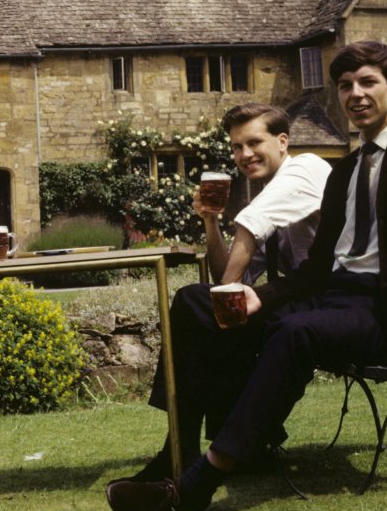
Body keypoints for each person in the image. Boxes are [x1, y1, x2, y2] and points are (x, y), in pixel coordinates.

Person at [107, 41, 387, 511]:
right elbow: (314, 270)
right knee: (194, 300)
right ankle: (176, 454)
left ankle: (199, 484)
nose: (356, 94)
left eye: (368, 82)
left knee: (296, 332)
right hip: (335, 300)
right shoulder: (344, 170)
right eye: (346, 86)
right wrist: (257, 296)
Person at [114, 103, 331, 486]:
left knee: (193, 304)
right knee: (198, 309)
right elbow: (231, 273)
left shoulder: (306, 168)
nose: (244, 155)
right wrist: (210, 222)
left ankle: (179, 451)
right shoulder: (269, 199)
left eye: (253, 143)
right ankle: (227, 444)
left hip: (328, 301)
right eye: (236, 147)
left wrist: (218, 302)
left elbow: (229, 280)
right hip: (292, 300)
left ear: (283, 142)